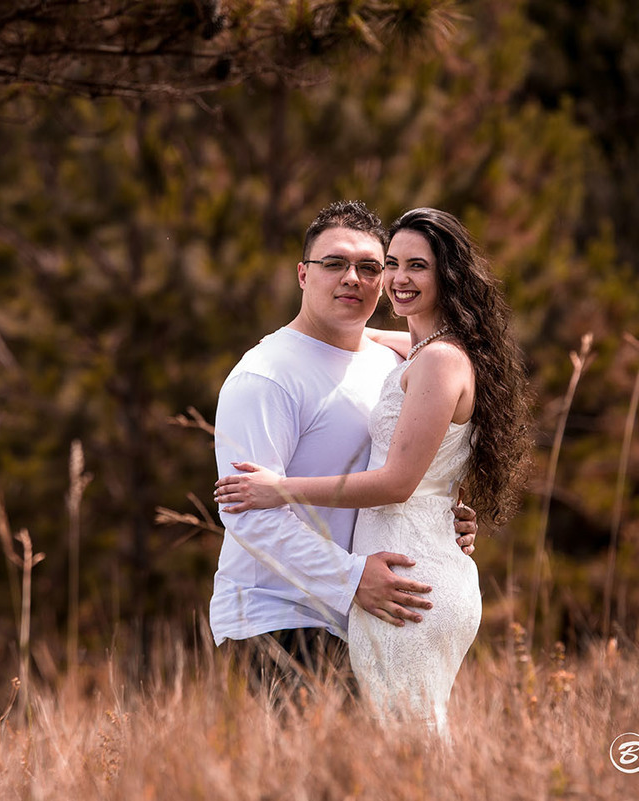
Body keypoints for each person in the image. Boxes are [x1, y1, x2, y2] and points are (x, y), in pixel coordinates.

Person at [216, 207, 533, 736]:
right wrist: (352, 578)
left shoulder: (393, 359)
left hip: (369, 608)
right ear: (302, 273)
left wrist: (444, 509)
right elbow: (249, 513)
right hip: (283, 613)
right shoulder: (265, 377)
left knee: (382, 771)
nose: (354, 279)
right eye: (334, 263)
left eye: (369, 267)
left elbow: (424, 441)